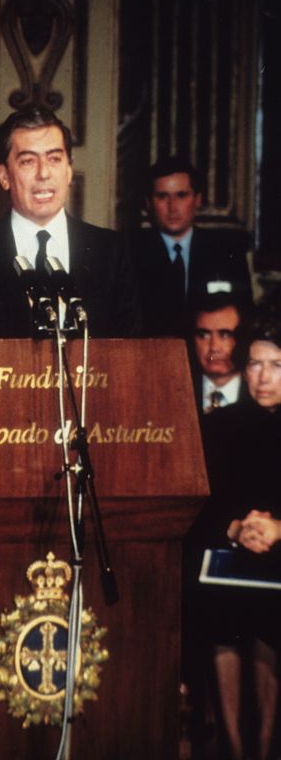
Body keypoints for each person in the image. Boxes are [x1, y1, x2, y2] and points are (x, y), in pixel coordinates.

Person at [0, 106, 141, 338]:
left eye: (54, 159)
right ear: (4, 177)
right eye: (28, 161)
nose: (44, 174)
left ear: (69, 171)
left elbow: (132, 348)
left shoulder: (112, 250)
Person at [184, 309, 281, 760]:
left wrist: (277, 528)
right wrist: (238, 527)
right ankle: (233, 746)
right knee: (221, 601)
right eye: (256, 364)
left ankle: (264, 745)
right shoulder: (220, 424)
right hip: (229, 551)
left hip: (278, 555)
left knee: (270, 608)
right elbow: (205, 504)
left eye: (277, 365)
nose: (264, 377)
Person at [131, 157, 252, 337]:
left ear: (197, 199)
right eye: (162, 196)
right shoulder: (129, 252)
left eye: (181, 195)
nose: (172, 207)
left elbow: (244, 314)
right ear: (148, 203)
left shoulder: (226, 250)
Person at [190, 293, 249, 414]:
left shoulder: (261, 397)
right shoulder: (177, 393)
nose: (214, 347)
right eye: (203, 335)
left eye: (225, 335)